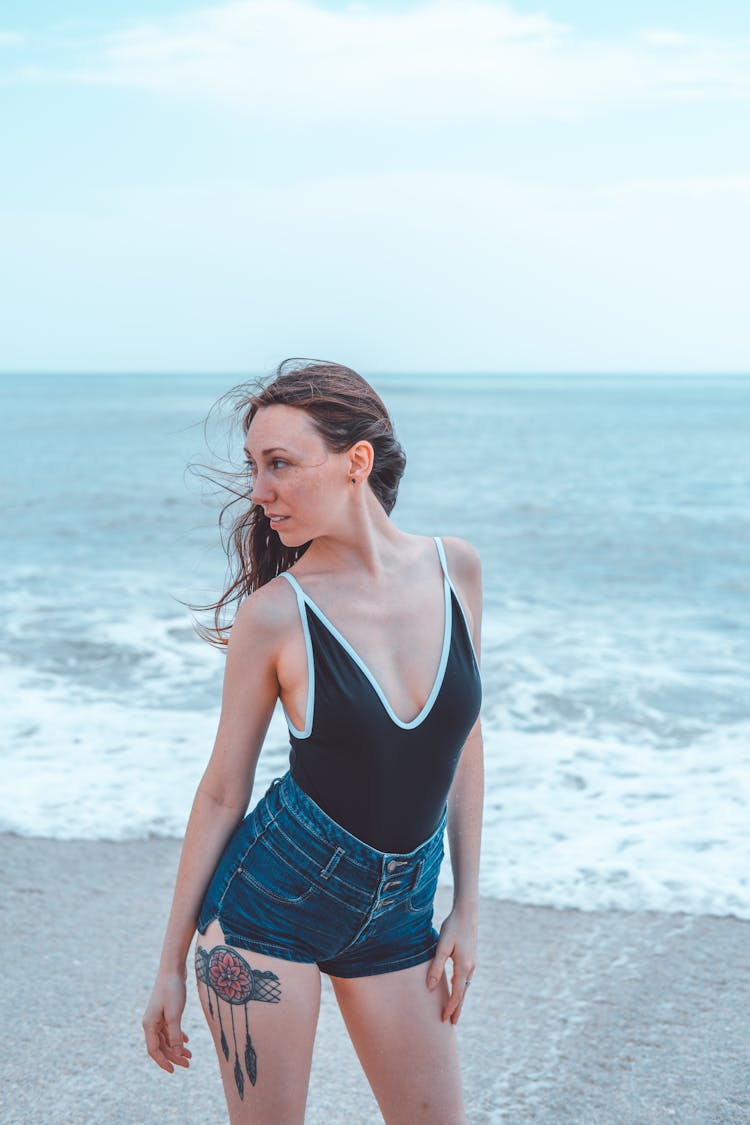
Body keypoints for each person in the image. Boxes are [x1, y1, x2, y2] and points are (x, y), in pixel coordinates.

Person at [142, 359, 484, 1124]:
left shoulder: (456, 568)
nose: (259, 492)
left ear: (356, 462)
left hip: (402, 909)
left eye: (281, 464)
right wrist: (167, 966)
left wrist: (466, 905)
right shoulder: (276, 614)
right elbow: (224, 789)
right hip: (270, 904)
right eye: (254, 467)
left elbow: (464, 740)